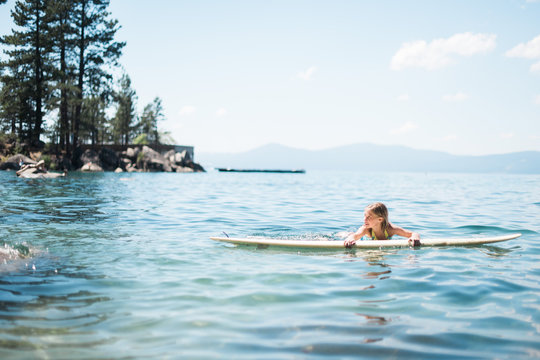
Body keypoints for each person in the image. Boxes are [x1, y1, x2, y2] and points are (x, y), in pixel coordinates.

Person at [343, 202, 420, 247]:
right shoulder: (366, 229)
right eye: (364, 216)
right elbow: (356, 236)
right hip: (364, 239)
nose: (364, 219)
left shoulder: (391, 229)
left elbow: (413, 233)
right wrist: (350, 238)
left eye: (369, 217)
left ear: (380, 219)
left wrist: (415, 237)